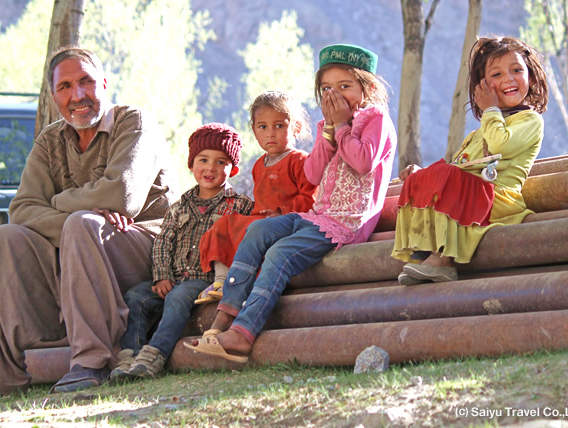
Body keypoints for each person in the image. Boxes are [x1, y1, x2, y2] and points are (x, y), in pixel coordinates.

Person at [0, 46, 178, 406]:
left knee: (81, 225)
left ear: (104, 83)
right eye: (66, 86)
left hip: (148, 248)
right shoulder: (50, 140)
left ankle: (92, 362)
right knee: (6, 237)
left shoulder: (133, 121)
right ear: (54, 95)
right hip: (79, 246)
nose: (78, 95)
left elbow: (121, 196)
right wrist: (74, 215)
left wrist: (58, 202)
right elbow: (22, 208)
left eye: (86, 82)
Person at [184, 44, 397, 362]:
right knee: (258, 232)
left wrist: (340, 127)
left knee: (280, 252)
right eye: (327, 88)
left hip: (347, 222)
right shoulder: (332, 127)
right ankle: (222, 320)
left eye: (345, 87)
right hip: (318, 216)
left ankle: (242, 335)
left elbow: (363, 162)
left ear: (367, 87)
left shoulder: (375, 119)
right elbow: (312, 173)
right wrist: (328, 134)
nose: (336, 95)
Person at [392, 35, 548, 285]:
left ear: (530, 76)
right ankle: (425, 245)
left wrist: (489, 110)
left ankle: (443, 261)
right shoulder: (478, 133)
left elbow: (500, 144)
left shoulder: (529, 120)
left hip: (498, 199)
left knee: (448, 176)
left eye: (517, 70)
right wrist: (423, 175)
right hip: (473, 196)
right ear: (481, 88)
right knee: (425, 175)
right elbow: (457, 167)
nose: (508, 78)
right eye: (496, 75)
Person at [109, 123, 253, 380]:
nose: (210, 168)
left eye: (221, 162)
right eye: (203, 160)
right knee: (135, 297)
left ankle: (154, 354)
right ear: (191, 164)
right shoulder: (178, 207)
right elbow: (163, 242)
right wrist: (162, 275)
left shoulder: (240, 206)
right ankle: (129, 355)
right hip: (173, 277)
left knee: (177, 298)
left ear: (234, 169)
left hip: (206, 279)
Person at [194, 90, 318, 304]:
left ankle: (245, 282)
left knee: (254, 233)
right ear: (254, 130)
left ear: (296, 127)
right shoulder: (259, 165)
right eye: (263, 127)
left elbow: (311, 198)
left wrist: (281, 213)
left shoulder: (300, 160)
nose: (270, 133)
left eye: (279, 126)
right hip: (259, 221)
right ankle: (222, 282)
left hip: (285, 223)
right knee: (225, 225)